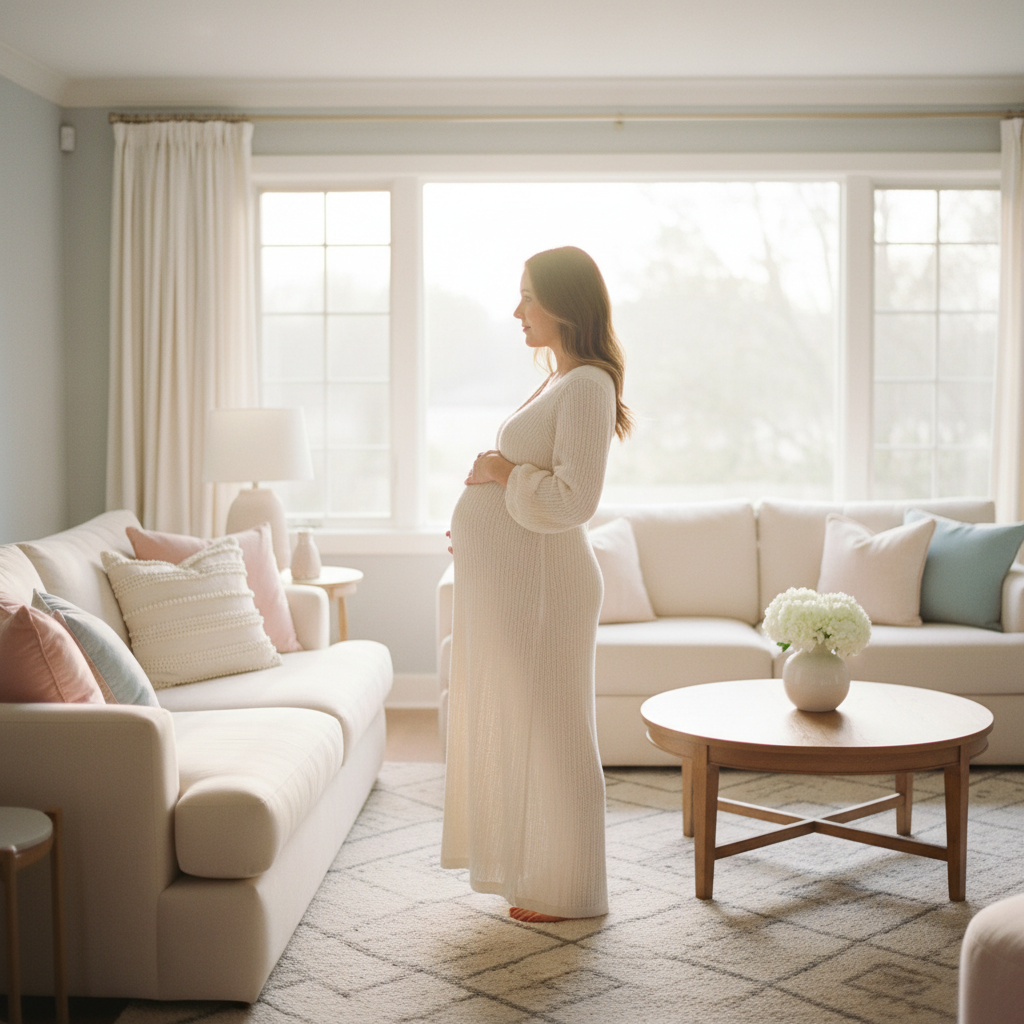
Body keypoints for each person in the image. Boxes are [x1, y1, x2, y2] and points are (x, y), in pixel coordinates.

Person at [441, 245, 633, 923]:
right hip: (529, 585)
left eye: (528, 295)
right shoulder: (561, 380)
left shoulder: (585, 384)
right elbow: (533, 484)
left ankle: (572, 890)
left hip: (550, 592)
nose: (517, 309)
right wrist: (480, 526)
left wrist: (499, 478)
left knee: (556, 734)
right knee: (532, 729)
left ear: (564, 302)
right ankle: (539, 873)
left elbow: (574, 500)